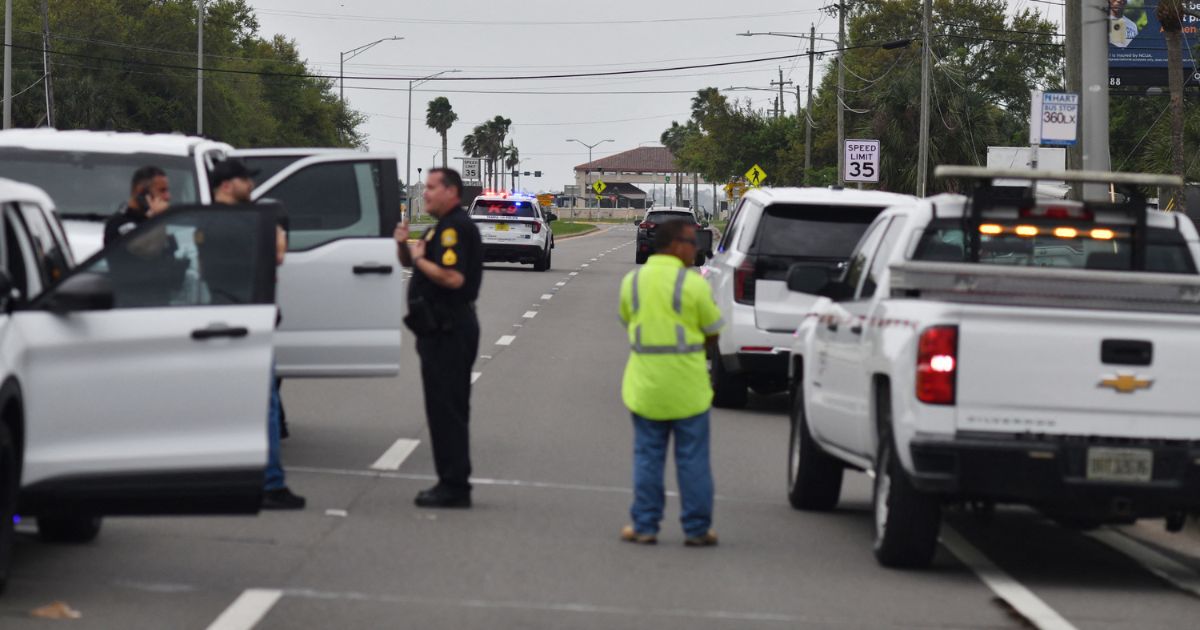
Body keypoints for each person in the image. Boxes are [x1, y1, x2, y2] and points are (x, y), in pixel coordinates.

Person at [618, 220, 724, 547]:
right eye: (692, 242)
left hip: (646, 386)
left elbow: (627, 320)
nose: (696, 248)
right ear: (674, 245)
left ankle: (645, 525)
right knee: (692, 460)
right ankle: (696, 529)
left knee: (648, 457)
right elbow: (713, 329)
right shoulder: (694, 286)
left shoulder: (633, 282)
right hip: (688, 388)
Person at [209, 158, 305, 510]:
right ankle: (271, 483)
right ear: (226, 184)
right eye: (245, 181)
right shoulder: (247, 223)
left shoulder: (203, 221)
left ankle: (222, 476)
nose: (251, 187)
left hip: (216, 322)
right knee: (263, 404)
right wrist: (277, 229)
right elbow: (278, 255)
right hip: (246, 323)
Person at [395, 168, 483, 508]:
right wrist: (405, 248)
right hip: (437, 329)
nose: (425, 193)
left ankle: (454, 485)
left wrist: (417, 258)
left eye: (431, 188)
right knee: (441, 408)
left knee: (448, 410)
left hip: (451, 328)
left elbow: (452, 278)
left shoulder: (456, 229)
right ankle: (450, 480)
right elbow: (416, 266)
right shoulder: (438, 229)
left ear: (451, 191)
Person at [104, 166, 172, 245]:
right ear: (141, 191)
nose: (168, 197)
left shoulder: (147, 219)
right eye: (162, 190)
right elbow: (149, 251)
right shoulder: (118, 223)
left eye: (167, 190)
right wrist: (158, 219)